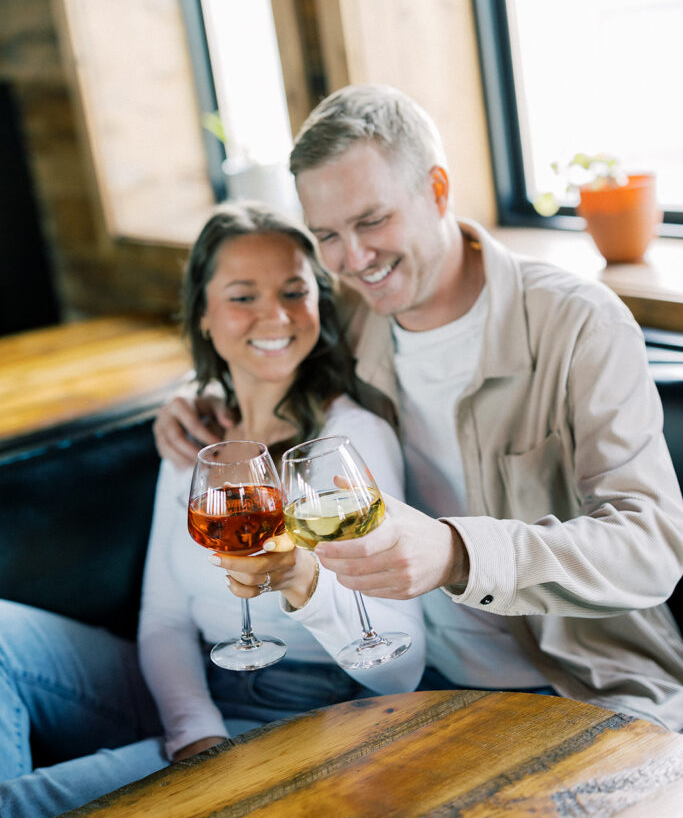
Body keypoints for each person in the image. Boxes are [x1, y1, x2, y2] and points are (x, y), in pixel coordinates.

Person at [154, 84, 683, 732]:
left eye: (371, 221)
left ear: (436, 189)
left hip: (580, 687)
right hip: (412, 692)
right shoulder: (351, 314)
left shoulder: (575, 322)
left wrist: (458, 552)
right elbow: (258, 338)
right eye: (327, 235)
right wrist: (193, 396)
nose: (353, 260)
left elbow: (652, 546)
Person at [0, 201, 424, 818]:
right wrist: (194, 731)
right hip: (186, 687)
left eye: (293, 291)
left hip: (296, 711)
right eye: (242, 296)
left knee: (14, 813)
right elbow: (164, 619)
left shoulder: (349, 444)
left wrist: (303, 578)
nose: (274, 316)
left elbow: (400, 670)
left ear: (320, 304)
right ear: (203, 313)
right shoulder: (199, 432)